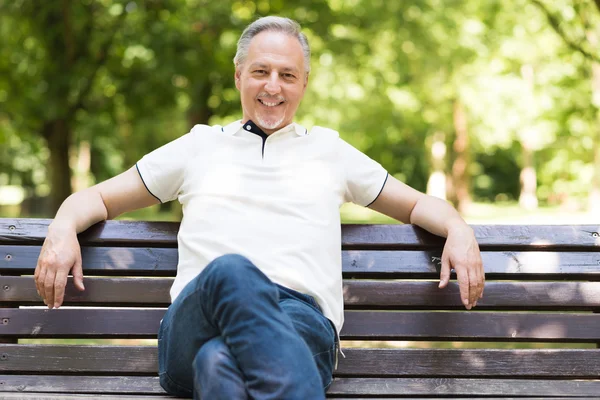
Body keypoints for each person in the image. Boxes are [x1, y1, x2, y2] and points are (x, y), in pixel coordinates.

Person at [34, 16, 484, 400]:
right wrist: (62, 228)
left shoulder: (330, 150)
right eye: (260, 71)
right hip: (197, 318)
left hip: (300, 321)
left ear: (304, 83)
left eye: (287, 75)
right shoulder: (198, 146)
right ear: (238, 76)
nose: (273, 86)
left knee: (218, 363)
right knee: (230, 272)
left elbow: (417, 204)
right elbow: (97, 197)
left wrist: (459, 229)